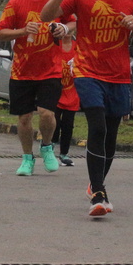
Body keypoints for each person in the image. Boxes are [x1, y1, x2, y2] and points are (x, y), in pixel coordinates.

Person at [41, 0, 133, 216]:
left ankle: (95, 184)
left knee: (111, 136)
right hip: (87, 70)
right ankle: (99, 194)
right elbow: (46, 16)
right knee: (98, 127)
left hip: (119, 74)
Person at [0, 0, 73, 176]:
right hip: (22, 71)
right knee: (25, 117)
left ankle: (47, 147)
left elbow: (73, 21)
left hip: (51, 68)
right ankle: (27, 158)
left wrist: (63, 29)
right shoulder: (16, 2)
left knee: (47, 113)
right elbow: (0, 33)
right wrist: (22, 31)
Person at [51, 30, 80, 167]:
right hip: (56, 90)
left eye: (70, 29)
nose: (67, 32)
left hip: (72, 92)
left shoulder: (78, 47)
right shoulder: (55, 45)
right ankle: (49, 149)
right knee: (54, 123)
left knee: (68, 125)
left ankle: (64, 154)